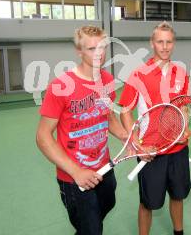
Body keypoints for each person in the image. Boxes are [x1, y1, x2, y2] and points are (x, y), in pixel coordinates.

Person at [36, 25, 128, 234]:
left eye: (102, 47)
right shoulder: (61, 86)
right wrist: (76, 171)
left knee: (105, 208)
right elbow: (42, 137)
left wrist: (125, 136)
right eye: (91, 49)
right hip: (74, 176)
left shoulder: (106, 80)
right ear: (79, 52)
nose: (99, 54)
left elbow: (109, 117)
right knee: (91, 228)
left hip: (104, 167)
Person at [118, 21, 191, 235]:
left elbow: (183, 106)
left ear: (174, 43)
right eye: (160, 41)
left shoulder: (181, 73)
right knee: (148, 203)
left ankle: (179, 232)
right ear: (152, 43)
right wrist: (137, 144)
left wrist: (183, 129)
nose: (165, 46)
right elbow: (124, 111)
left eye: (169, 42)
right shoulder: (138, 74)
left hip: (178, 149)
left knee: (178, 196)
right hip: (151, 151)